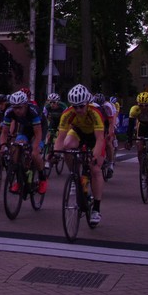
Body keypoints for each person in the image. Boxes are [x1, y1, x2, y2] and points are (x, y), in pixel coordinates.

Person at [54, 84, 107, 224]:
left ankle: (96, 209)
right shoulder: (67, 113)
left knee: (95, 169)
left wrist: (95, 157)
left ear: (87, 103)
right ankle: (74, 175)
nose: (78, 110)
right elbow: (60, 137)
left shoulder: (95, 112)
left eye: (81, 106)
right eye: (75, 106)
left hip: (94, 136)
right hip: (79, 132)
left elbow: (100, 139)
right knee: (67, 146)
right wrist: (55, 154)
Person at [0, 90, 46, 194]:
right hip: (25, 128)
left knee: (34, 154)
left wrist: (35, 148)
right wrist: (3, 146)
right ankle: (19, 180)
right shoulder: (9, 112)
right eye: (15, 108)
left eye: (20, 107)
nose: (17, 111)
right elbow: (4, 132)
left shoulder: (33, 111)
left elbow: (37, 134)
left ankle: (42, 179)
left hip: (39, 128)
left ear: (26, 105)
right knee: (16, 149)